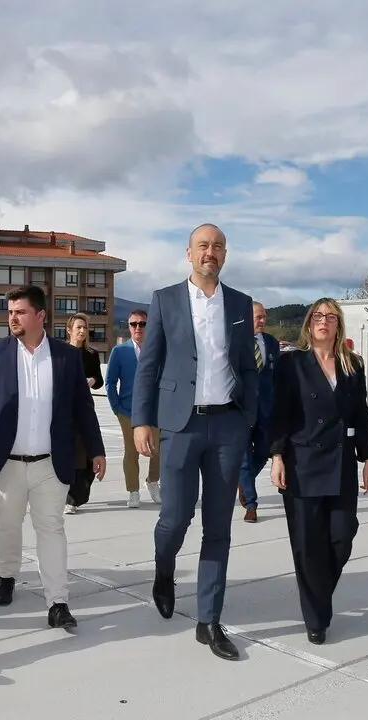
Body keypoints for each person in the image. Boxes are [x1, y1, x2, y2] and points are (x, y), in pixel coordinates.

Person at [131, 223, 259, 661]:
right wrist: (142, 421)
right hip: (180, 426)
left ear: (225, 254)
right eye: (203, 246)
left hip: (226, 427)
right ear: (189, 253)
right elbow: (148, 366)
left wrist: (249, 419)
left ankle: (209, 620)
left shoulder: (240, 304)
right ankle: (164, 570)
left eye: (218, 246)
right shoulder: (165, 300)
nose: (211, 252)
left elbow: (248, 367)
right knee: (175, 519)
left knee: (218, 528)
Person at [0, 285, 106, 629]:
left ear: (40, 315)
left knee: (52, 529)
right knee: (7, 525)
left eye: (20, 311)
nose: (13, 317)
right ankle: (7, 575)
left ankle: (58, 601)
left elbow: (83, 408)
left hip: (50, 463)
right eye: (10, 311)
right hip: (6, 462)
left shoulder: (66, 357)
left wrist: (97, 449)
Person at [268, 299, 368, 645]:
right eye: (318, 316)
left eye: (331, 317)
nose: (323, 321)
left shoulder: (352, 365)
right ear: (308, 324)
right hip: (302, 463)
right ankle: (317, 618)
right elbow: (280, 414)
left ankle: (317, 595)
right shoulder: (291, 363)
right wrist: (277, 456)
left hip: (341, 462)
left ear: (338, 324)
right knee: (307, 544)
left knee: (342, 536)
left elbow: (361, 414)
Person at [105, 309, 161, 507]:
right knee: (131, 452)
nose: (138, 328)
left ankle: (153, 482)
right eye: (133, 324)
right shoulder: (120, 352)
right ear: (128, 326)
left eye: (142, 324)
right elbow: (110, 382)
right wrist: (116, 408)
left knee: (158, 449)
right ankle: (133, 491)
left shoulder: (158, 350)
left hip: (154, 410)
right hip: (127, 410)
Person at [238, 301, 280, 523]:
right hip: (241, 411)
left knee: (264, 452)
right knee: (244, 458)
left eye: (264, 317)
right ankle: (251, 505)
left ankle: (244, 482)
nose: (262, 321)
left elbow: (277, 377)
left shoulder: (272, 343)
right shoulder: (235, 342)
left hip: (265, 409)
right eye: (258, 317)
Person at [62, 313, 105, 514]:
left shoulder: (91, 354)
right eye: (78, 327)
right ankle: (68, 496)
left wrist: (92, 381)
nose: (82, 331)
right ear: (69, 330)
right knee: (66, 451)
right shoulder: (60, 353)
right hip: (63, 409)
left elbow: (99, 379)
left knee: (85, 453)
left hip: (84, 409)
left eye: (85, 328)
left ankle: (76, 496)